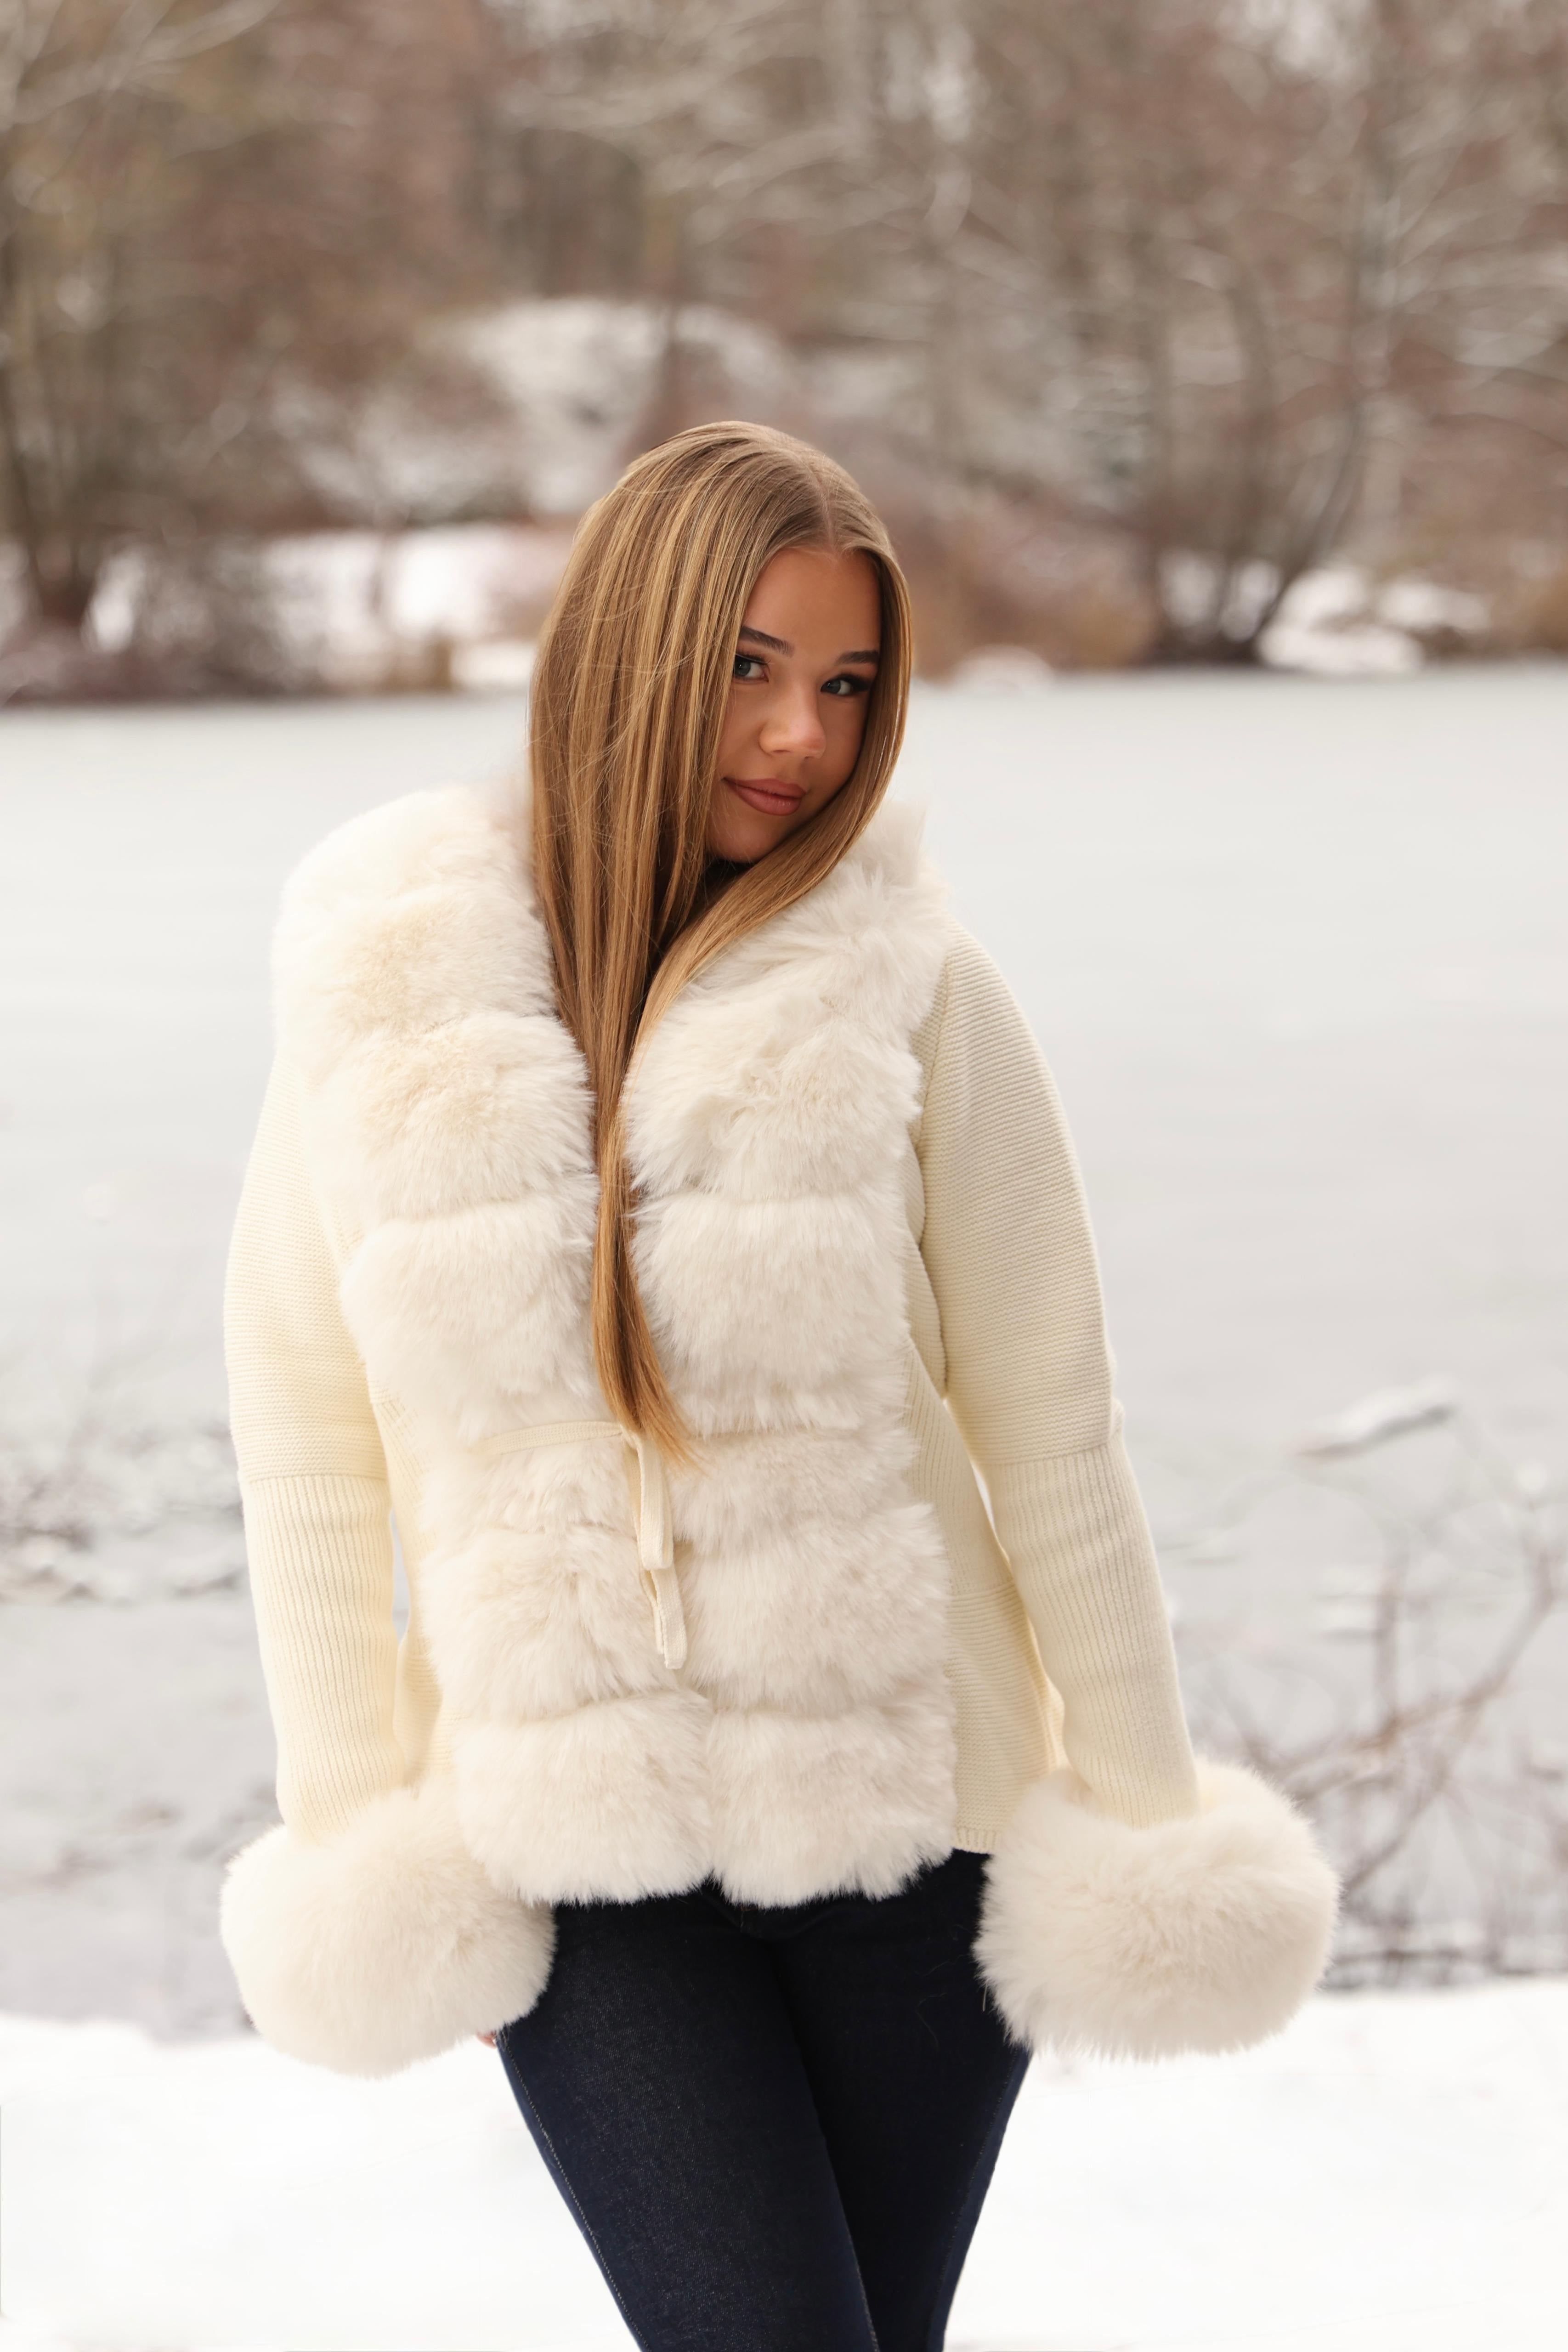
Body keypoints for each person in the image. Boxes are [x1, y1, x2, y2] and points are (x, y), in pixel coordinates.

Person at [220, 421, 1337, 2351]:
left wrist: (1145, 1818)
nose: (798, 736)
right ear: (628, 646)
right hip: (580, 1838)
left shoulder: (910, 992)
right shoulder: (386, 982)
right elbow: (308, 1435)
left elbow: (1050, 1424)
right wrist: (353, 1825)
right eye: (749, 663)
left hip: (915, 1821)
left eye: (843, 683)